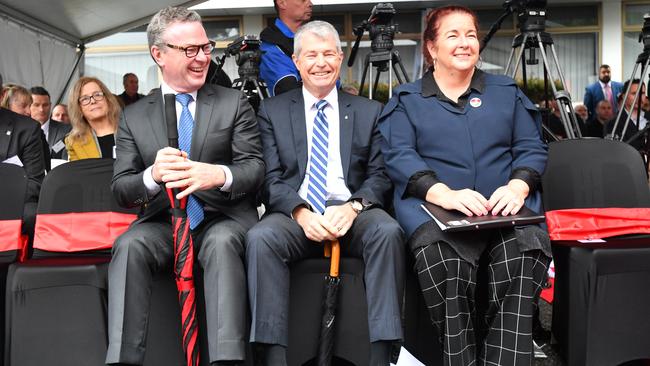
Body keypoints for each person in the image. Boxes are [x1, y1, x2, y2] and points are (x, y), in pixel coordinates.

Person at [378, 6, 551, 365]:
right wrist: (445, 194)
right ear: (431, 48)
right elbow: (399, 155)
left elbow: (531, 147)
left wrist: (518, 187)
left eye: (470, 34)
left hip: (503, 208)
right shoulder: (407, 100)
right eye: (452, 35)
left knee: (524, 254)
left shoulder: (506, 92)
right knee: (446, 261)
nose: (464, 43)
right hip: (436, 210)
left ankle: (502, 360)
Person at [108, 6, 264, 366]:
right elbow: (120, 188)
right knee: (128, 245)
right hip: (164, 224)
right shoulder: (133, 115)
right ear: (158, 54)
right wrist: (152, 176)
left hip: (221, 218)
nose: (202, 58)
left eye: (205, 48)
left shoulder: (233, 102)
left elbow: (256, 169)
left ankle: (228, 360)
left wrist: (219, 175)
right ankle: (122, 359)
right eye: (189, 50)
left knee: (223, 244)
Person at [247, 20, 405, 366]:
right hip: (296, 213)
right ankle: (273, 356)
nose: (321, 63)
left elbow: (379, 176)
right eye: (312, 55)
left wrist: (353, 207)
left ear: (339, 58)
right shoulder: (272, 111)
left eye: (329, 54)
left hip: (350, 211)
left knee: (388, 231)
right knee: (261, 238)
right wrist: (301, 213)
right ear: (296, 61)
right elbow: (270, 179)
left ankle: (383, 354)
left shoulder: (368, 110)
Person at [0, 73, 46, 246]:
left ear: (2, 95)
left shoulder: (26, 128)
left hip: (11, 201)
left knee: (32, 214)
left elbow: (35, 181)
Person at [259, 0, 312, 96]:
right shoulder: (270, 48)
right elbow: (290, 93)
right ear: (282, 3)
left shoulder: (309, 40)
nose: (310, 4)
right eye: (303, 0)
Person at [65, 77, 120, 161]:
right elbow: (78, 173)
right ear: (78, 108)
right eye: (85, 99)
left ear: (108, 99)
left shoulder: (130, 129)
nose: (93, 101)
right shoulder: (74, 142)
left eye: (97, 95)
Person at [606, 78, 648, 150]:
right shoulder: (613, 123)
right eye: (634, 93)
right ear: (624, 96)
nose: (639, 98)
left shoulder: (648, 117)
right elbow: (614, 151)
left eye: (642, 93)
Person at [30, 86, 71, 159]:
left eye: (45, 105)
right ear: (28, 105)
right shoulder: (19, 130)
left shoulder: (66, 131)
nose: (41, 109)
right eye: (36, 105)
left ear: (50, 105)